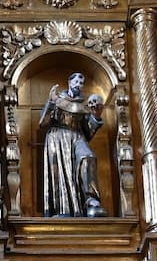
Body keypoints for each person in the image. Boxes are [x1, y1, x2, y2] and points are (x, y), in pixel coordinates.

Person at [37, 73, 106, 217]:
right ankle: (62, 209)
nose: (79, 84)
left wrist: (96, 116)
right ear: (69, 82)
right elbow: (43, 123)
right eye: (76, 81)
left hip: (77, 136)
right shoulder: (58, 99)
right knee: (60, 171)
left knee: (88, 157)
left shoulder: (84, 104)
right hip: (58, 137)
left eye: (81, 82)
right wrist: (50, 103)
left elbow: (88, 132)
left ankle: (91, 201)